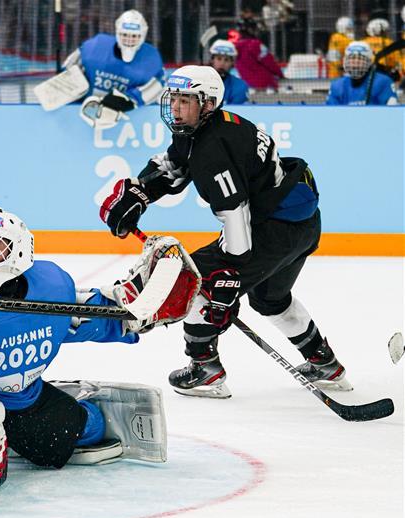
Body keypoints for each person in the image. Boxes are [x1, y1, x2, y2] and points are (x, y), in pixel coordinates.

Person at [0, 207, 194, 514]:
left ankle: (58, 404)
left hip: (16, 397)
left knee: (80, 436)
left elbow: (85, 318)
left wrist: (135, 312)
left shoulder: (51, 288)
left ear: (19, 250)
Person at [99, 65, 352, 399]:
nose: (175, 107)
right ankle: (324, 363)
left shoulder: (213, 149)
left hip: (269, 230)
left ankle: (204, 369)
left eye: (184, 100)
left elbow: (235, 214)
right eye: (173, 99)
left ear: (207, 103)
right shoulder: (205, 129)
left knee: (194, 279)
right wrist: (139, 193)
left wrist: (229, 273)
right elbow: (172, 165)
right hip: (299, 225)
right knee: (270, 299)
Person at [63, 9, 165, 123]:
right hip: (80, 109)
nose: (129, 40)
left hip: (122, 118)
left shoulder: (151, 59)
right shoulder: (95, 47)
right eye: (125, 34)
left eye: (135, 36)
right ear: (117, 33)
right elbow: (69, 68)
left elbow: (158, 86)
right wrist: (69, 86)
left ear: (142, 36)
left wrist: (126, 100)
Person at [326, 41, 398, 105]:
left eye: (360, 59)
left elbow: (391, 111)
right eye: (352, 59)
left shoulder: (383, 82)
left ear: (369, 62)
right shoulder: (337, 85)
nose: (356, 63)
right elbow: (331, 113)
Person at [232, 17, 283, 91]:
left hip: (246, 87)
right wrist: (280, 75)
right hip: (266, 86)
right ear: (250, 30)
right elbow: (270, 63)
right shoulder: (256, 45)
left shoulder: (234, 47)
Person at [208, 39, 249, 104]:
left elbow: (236, 112)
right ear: (212, 60)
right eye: (219, 59)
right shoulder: (201, 81)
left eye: (226, 60)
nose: (222, 63)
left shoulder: (240, 86)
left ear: (232, 63)